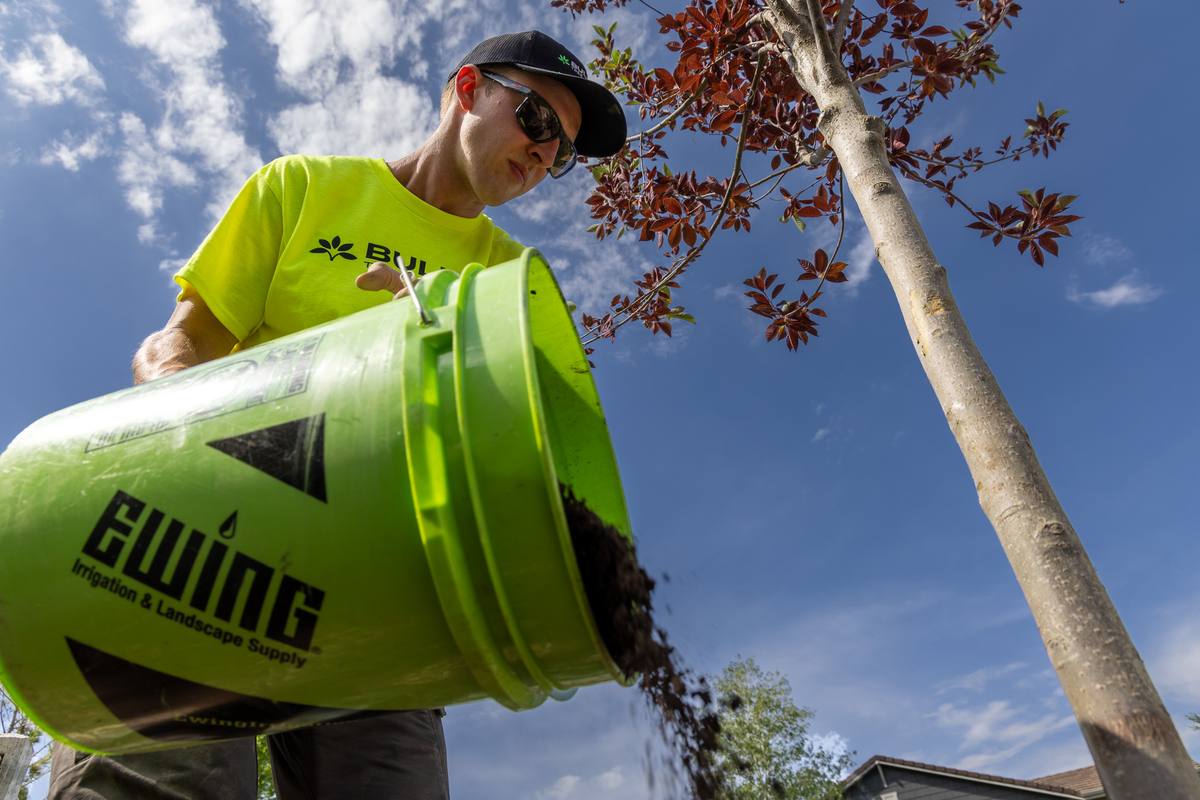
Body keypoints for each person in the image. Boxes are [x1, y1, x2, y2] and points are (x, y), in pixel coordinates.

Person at [47, 29, 626, 800]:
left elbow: (530, 457)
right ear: (467, 90)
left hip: (386, 609)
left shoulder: (509, 279)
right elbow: (177, 342)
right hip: (204, 544)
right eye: (538, 119)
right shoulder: (303, 188)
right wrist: (183, 435)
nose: (545, 153)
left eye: (563, 153)